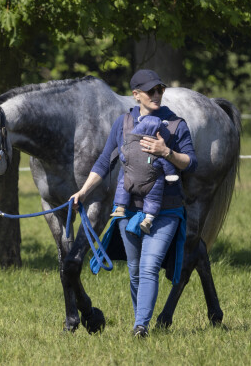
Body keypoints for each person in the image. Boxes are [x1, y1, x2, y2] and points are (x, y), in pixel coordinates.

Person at [69, 69, 197, 338]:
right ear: (136, 94)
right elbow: (105, 161)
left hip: (166, 211)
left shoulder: (176, 124)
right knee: (135, 271)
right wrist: (82, 192)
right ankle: (142, 321)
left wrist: (167, 152)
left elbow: (191, 163)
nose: (157, 95)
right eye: (151, 91)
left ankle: (141, 326)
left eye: (160, 90)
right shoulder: (123, 123)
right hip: (128, 210)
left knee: (150, 267)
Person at [110, 114, 180, 234]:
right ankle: (148, 220)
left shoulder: (130, 145)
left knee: (123, 184)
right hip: (151, 183)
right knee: (153, 199)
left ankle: (120, 207)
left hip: (130, 179)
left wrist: (127, 164)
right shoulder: (157, 150)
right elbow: (166, 164)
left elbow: (123, 156)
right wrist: (170, 177)